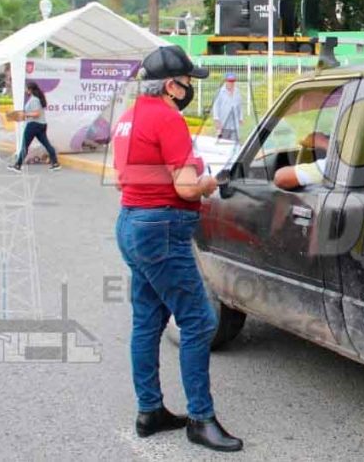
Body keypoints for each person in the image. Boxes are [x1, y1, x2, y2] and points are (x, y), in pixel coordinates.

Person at [111, 45, 243, 453]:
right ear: (171, 86)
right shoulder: (168, 119)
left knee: (148, 319)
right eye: (187, 83)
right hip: (162, 229)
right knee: (200, 321)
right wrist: (209, 181)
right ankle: (200, 419)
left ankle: (150, 411)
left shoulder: (129, 119)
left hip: (132, 223)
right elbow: (186, 186)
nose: (189, 90)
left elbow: (123, 179)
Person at [8, 82, 61, 172]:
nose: (25, 90)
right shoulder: (36, 98)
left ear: (30, 90)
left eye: (26, 88)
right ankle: (55, 163)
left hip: (34, 125)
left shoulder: (34, 100)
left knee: (25, 145)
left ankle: (18, 165)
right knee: (46, 144)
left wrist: (25, 114)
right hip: (40, 125)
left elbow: (37, 113)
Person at [212, 72, 243, 142]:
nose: (231, 83)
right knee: (223, 142)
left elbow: (239, 106)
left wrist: (240, 118)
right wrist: (216, 119)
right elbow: (215, 106)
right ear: (226, 81)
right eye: (229, 81)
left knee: (234, 143)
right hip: (223, 122)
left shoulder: (237, 92)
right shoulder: (220, 92)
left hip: (234, 123)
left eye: (232, 81)